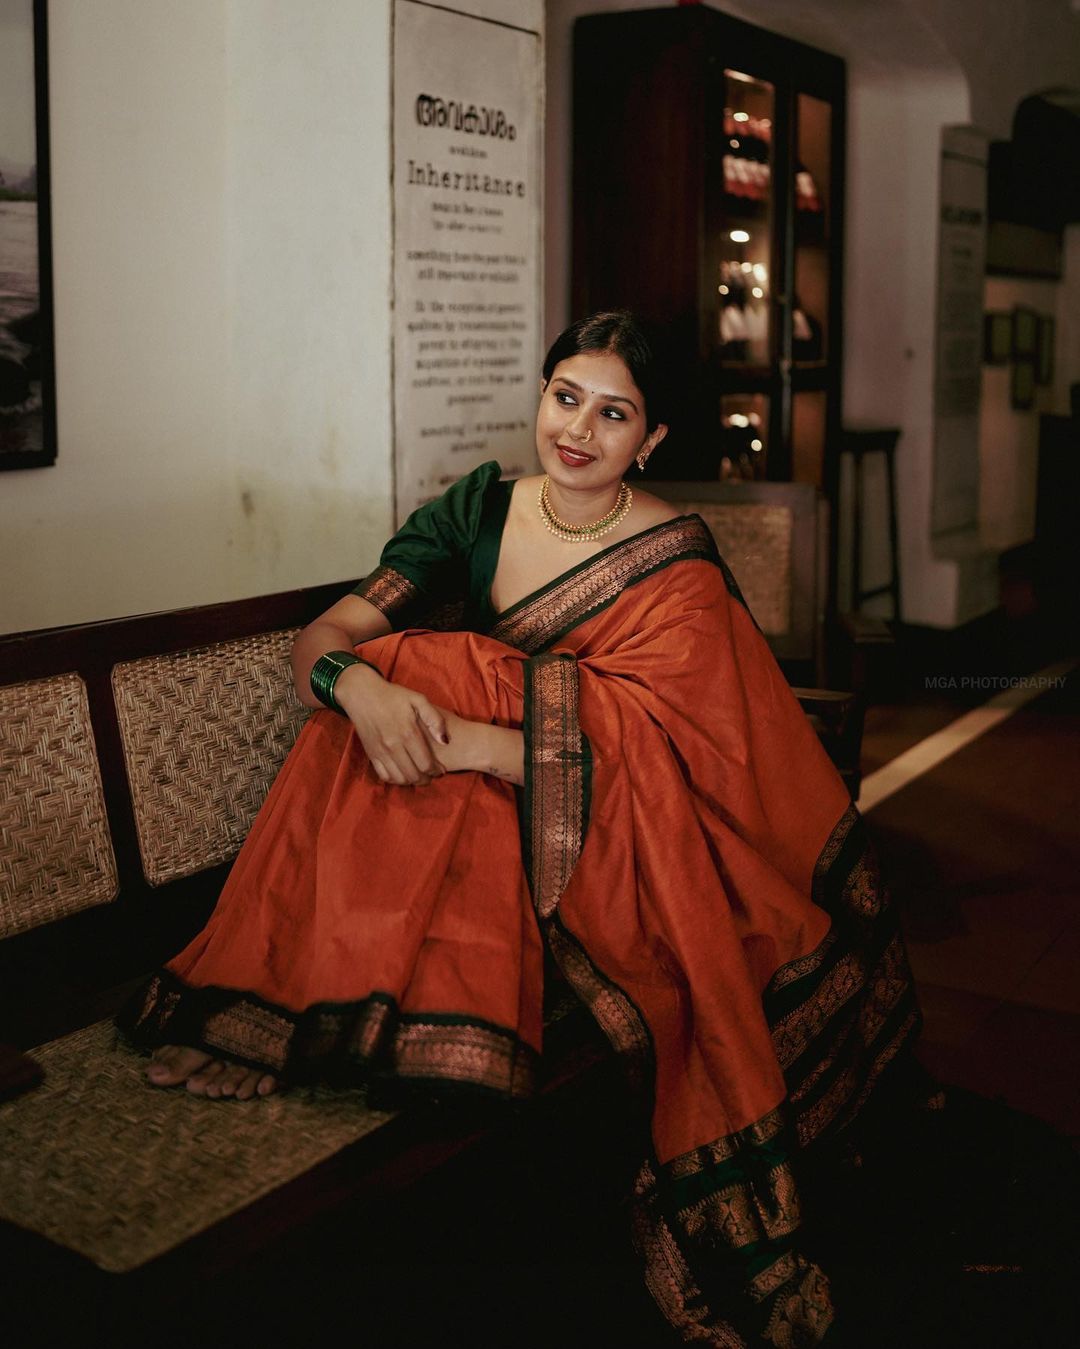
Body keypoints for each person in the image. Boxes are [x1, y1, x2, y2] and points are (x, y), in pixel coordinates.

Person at [120, 311, 922, 1346]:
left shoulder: (672, 559)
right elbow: (335, 631)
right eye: (565, 397)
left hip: (624, 831)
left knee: (433, 672)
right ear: (542, 394)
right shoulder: (477, 511)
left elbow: (673, 757)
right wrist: (353, 687)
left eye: (614, 413)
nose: (578, 430)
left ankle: (297, 1003)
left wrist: (464, 737)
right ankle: (305, 1003)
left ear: (654, 439)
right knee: (395, 673)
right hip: (494, 804)